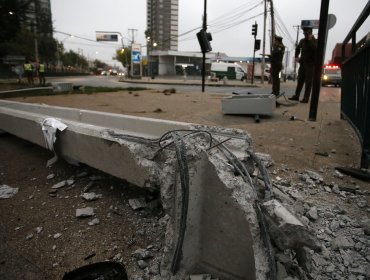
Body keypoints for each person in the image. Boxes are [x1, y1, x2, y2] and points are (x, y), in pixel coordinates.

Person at [289, 27, 317, 103]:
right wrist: (296, 57)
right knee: (300, 80)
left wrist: (310, 40)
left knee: (308, 82)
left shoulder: (315, 41)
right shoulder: (302, 41)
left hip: (310, 64)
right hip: (302, 63)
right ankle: (296, 96)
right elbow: (297, 48)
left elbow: (314, 49)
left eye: (306, 33)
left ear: (310, 33)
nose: (305, 34)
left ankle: (306, 98)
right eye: (304, 33)